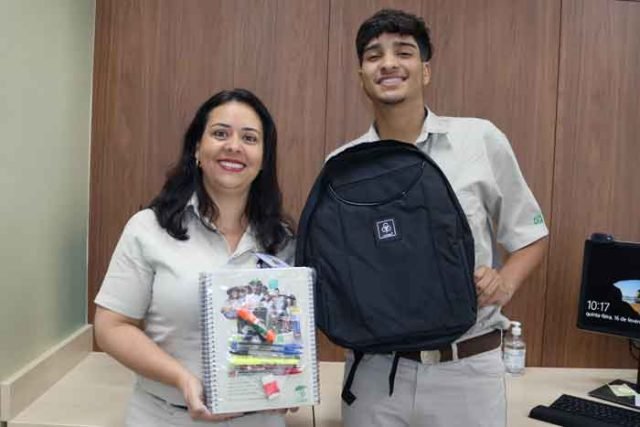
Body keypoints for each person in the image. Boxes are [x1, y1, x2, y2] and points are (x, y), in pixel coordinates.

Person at [328, 9, 549, 427]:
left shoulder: (479, 139)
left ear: (425, 70)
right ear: (361, 76)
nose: (388, 63)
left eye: (403, 52)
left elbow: (531, 236)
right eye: (374, 55)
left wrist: (505, 282)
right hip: (374, 375)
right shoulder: (342, 165)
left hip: (467, 371)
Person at [94, 89, 295, 426]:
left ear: (263, 159)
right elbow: (110, 326)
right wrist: (181, 378)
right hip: (165, 416)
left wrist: (290, 378)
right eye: (220, 133)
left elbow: (286, 333)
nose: (234, 146)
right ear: (197, 149)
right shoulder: (149, 228)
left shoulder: (283, 240)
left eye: (249, 138)